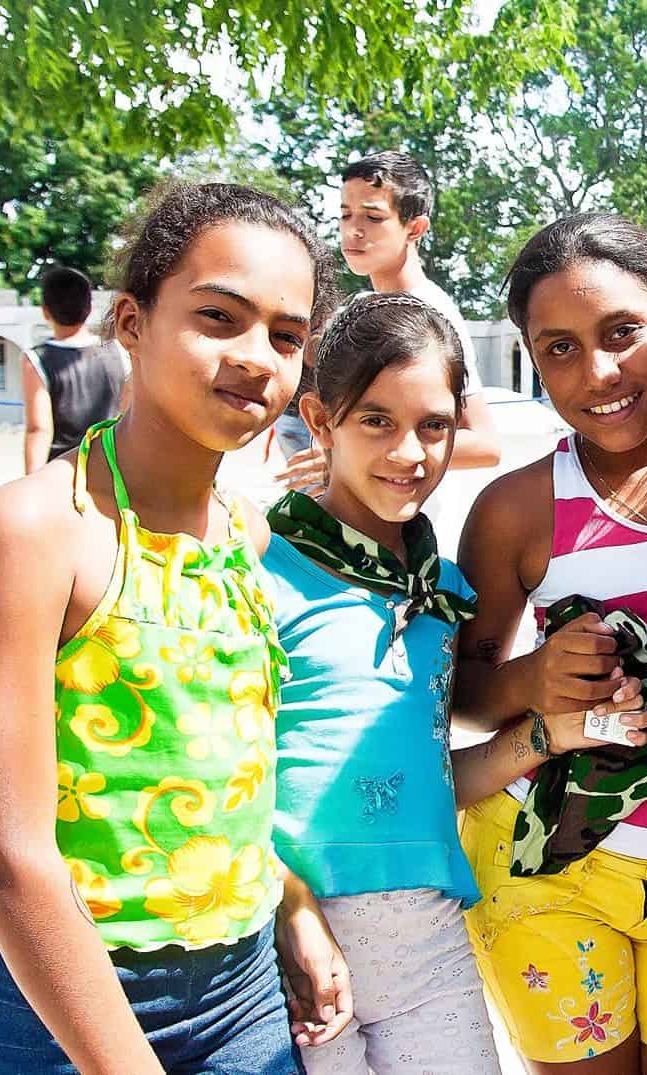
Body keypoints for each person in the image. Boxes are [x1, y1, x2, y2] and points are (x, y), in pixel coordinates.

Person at [0, 181, 351, 1074]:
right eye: (219, 317)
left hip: (243, 998)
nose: (256, 358)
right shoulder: (35, 529)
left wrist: (289, 904)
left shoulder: (249, 534)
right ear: (131, 321)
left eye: (287, 337)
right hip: (59, 1002)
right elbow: (9, 859)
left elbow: (228, 769)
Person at [455, 213, 647, 1075]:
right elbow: (462, 692)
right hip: (551, 869)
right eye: (558, 348)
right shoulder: (519, 508)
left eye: (621, 332)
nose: (597, 372)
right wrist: (535, 675)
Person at [264, 292, 509, 1073]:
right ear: (320, 418)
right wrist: (290, 907)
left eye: (433, 425)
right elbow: (222, 781)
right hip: (297, 949)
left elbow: (429, 777)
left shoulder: (447, 595)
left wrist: (546, 734)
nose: (410, 452)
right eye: (377, 420)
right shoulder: (255, 571)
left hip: (432, 941)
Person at [277, 150, 502, 492]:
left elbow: (485, 444)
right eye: (345, 215)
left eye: (373, 217)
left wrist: (341, 456)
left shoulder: (430, 312)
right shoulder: (359, 306)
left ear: (415, 227)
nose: (354, 230)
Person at [23, 265, 127, 474]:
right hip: (112, 466)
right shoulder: (118, 350)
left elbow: (39, 429)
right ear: (89, 308)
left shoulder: (36, 359)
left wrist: (32, 481)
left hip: (62, 471)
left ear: (45, 311)